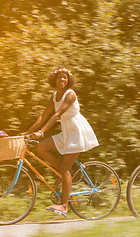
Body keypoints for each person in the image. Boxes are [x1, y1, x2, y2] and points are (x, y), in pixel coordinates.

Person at [21, 67, 99, 217]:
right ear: (54, 79)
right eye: (60, 77)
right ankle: (62, 174)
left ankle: (64, 206)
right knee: (41, 148)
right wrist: (28, 132)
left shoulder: (70, 95)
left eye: (65, 77)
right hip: (66, 132)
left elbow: (57, 115)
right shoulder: (55, 95)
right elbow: (43, 116)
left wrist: (42, 132)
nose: (63, 80)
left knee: (65, 169)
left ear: (68, 80)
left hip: (76, 132)